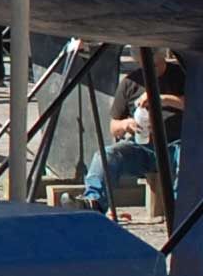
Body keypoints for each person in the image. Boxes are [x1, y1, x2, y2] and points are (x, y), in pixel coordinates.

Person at [78, 47, 184, 212]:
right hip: (141, 147)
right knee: (106, 155)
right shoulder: (130, 82)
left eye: (155, 65)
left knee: (187, 156)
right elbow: (113, 127)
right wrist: (125, 125)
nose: (150, 69)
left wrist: (163, 99)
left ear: (163, 57)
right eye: (145, 65)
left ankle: (182, 209)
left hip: (175, 144)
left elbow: (196, 104)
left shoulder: (181, 74)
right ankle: (94, 202)